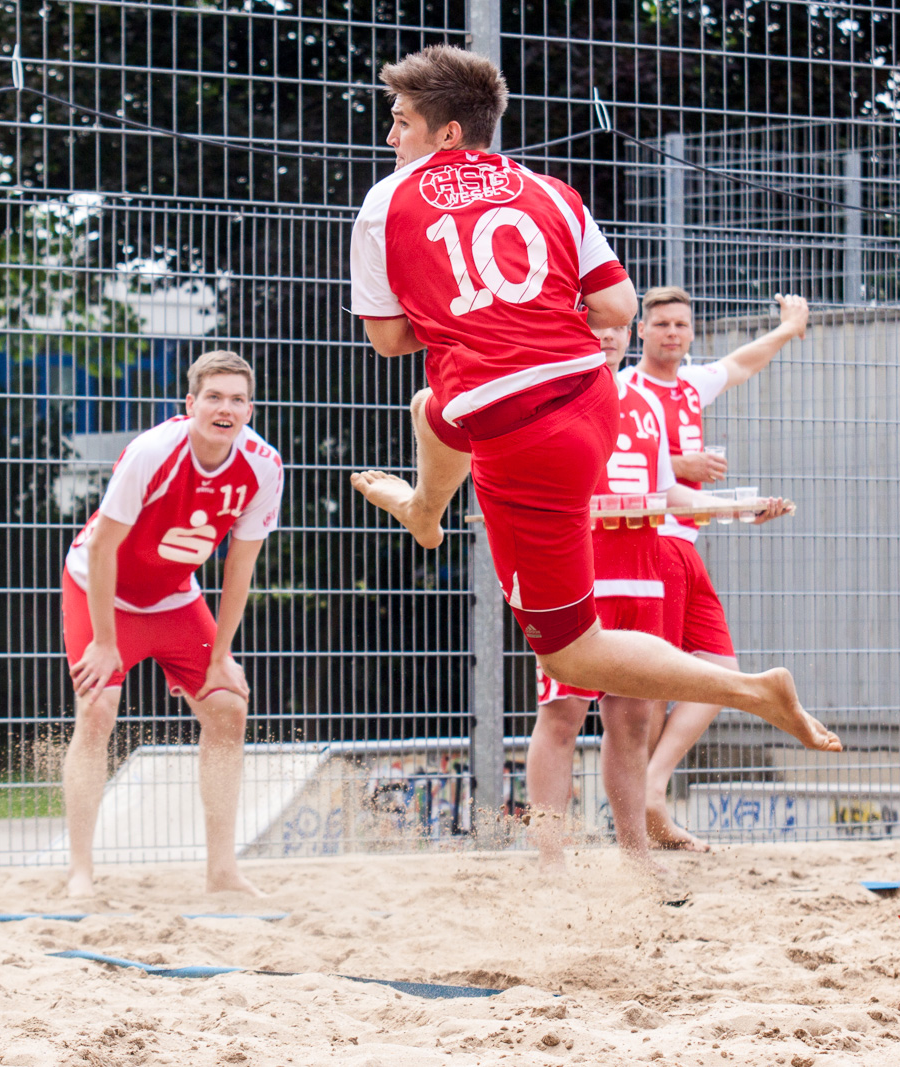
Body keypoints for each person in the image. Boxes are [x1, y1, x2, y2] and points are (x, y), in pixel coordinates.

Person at [347, 44, 840, 754]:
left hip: (522, 431)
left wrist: (461, 316)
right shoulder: (548, 190)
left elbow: (389, 339)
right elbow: (618, 306)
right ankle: (426, 512)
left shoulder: (386, 201)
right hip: (591, 395)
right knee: (434, 408)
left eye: (400, 121)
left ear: (447, 132)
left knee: (570, 653)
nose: (390, 136)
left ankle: (752, 689)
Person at [526, 321, 791, 871]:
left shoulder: (644, 400)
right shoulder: (548, 391)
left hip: (643, 576)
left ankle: (636, 859)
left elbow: (666, 491)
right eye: (593, 324)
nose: (606, 336)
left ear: (628, 333)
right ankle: (548, 861)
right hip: (579, 577)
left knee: (633, 721)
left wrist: (738, 508)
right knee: (562, 714)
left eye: (615, 327)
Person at [61, 350, 283, 898]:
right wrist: (106, 643)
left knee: (229, 707)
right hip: (100, 589)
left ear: (249, 410)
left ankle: (222, 871)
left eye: (236, 399)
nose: (224, 408)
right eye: (213, 397)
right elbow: (105, 545)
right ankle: (80, 872)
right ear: (191, 404)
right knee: (96, 710)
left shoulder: (263, 466)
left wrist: (221, 653)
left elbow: (241, 564)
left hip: (173, 598)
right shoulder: (153, 452)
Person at [621, 286, 809, 850]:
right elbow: (618, 461)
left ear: (692, 331)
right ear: (642, 332)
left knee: (717, 668)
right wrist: (684, 463)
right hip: (647, 540)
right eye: (662, 325)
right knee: (650, 687)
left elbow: (742, 363)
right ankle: (642, 811)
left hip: (684, 542)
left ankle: (650, 793)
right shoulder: (625, 388)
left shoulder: (690, 385)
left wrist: (786, 328)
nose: (673, 333)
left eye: (681, 324)